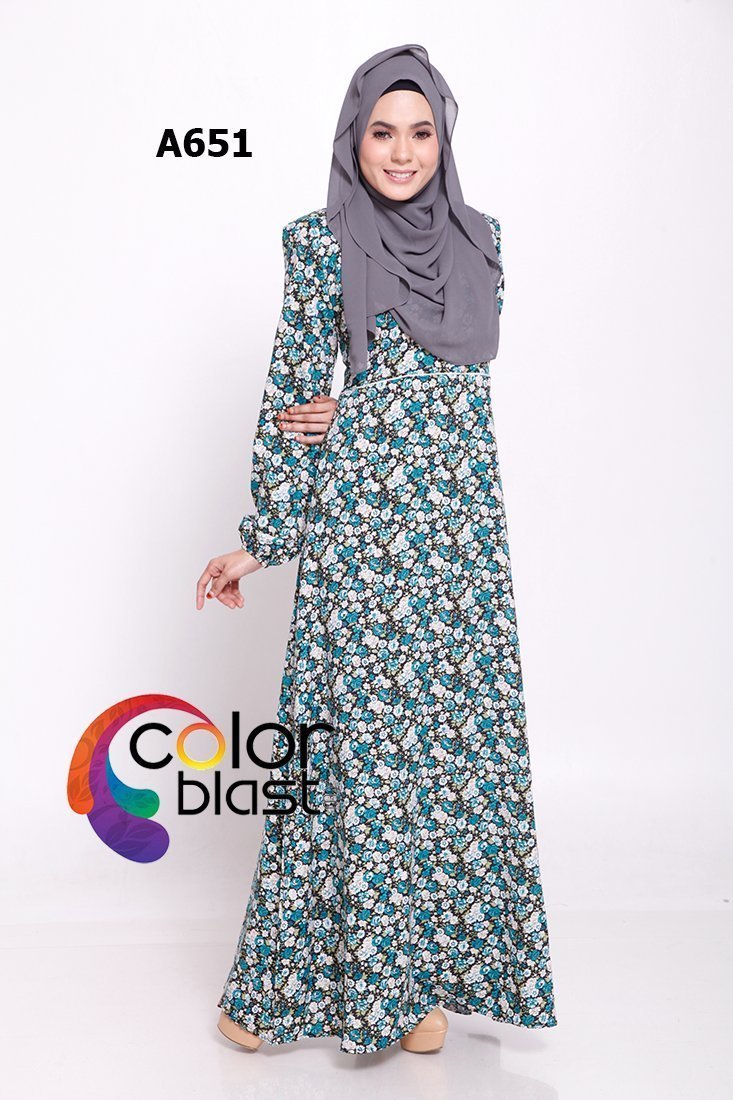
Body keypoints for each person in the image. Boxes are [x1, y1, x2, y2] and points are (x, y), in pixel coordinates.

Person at [197, 42, 558, 1057]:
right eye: (381, 132)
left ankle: (416, 986)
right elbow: (292, 393)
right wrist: (264, 537)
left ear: (444, 140)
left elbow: (452, 392)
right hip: (361, 540)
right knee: (346, 755)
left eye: (420, 132)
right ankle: (280, 991)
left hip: (460, 544)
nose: (401, 152)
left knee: (445, 755)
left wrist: (357, 406)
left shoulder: (481, 241)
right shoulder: (321, 243)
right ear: (351, 140)